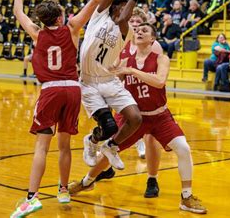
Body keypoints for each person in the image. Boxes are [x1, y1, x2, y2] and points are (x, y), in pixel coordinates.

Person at [10, 0, 127, 217]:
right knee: (64, 145)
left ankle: (32, 197)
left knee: (42, 146)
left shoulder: (37, 32)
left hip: (51, 90)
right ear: (60, 18)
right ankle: (62, 189)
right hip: (73, 89)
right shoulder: (73, 27)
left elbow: (18, 11)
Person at [68, 23, 207, 214]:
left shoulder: (161, 59)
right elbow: (110, 82)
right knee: (108, 152)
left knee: (183, 148)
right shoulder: (123, 59)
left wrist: (132, 72)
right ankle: (86, 182)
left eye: (145, 31)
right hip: (134, 119)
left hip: (160, 116)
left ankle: (186, 196)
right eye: (138, 30)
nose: (139, 32)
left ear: (153, 39)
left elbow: (159, 82)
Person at [80, 0, 149, 171]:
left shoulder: (126, 30)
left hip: (108, 80)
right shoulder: (98, 17)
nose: (125, 11)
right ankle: (92, 141)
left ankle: (111, 147)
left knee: (135, 118)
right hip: (88, 82)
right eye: (121, 6)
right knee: (109, 127)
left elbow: (123, 18)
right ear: (112, 8)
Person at [120, 8, 163, 160]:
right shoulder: (120, 42)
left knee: (143, 121)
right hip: (125, 90)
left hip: (145, 90)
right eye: (132, 21)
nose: (135, 24)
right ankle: (109, 152)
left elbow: (158, 71)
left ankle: (140, 144)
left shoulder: (153, 45)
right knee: (120, 123)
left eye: (139, 22)